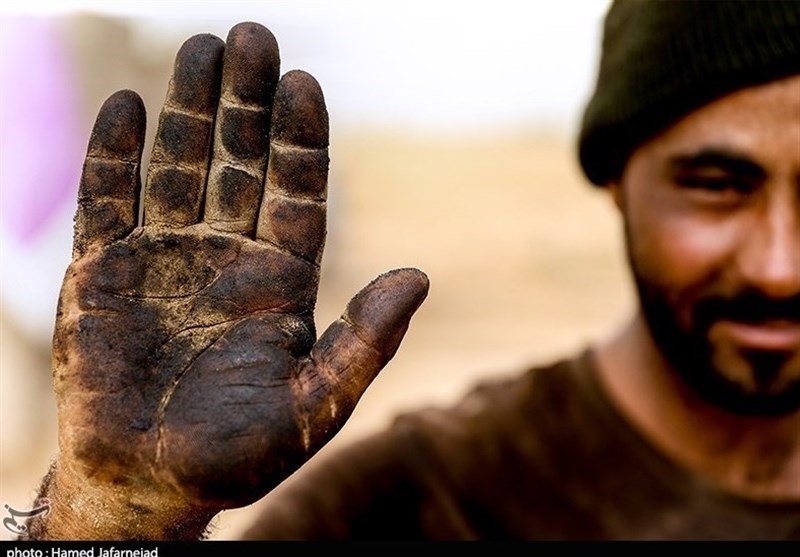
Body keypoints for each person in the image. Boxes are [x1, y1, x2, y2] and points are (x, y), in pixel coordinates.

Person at [21, 0, 800, 540]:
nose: (779, 266)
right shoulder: (423, 501)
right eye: (716, 186)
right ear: (616, 180)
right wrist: (113, 517)